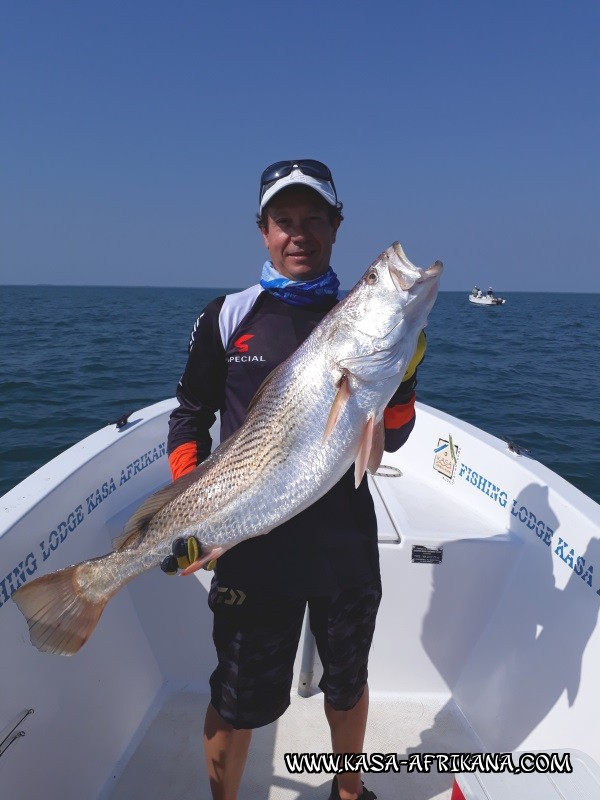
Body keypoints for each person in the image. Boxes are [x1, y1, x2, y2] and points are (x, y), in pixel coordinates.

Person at [164, 159, 426, 800]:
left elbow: (391, 434)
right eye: (285, 220)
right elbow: (191, 415)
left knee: (348, 683)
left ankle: (348, 789)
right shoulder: (226, 317)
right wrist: (192, 504)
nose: (298, 233)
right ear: (263, 230)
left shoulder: (359, 320)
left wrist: (404, 377)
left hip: (343, 546)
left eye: (314, 219)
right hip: (250, 546)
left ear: (336, 228)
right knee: (236, 694)